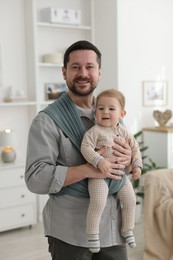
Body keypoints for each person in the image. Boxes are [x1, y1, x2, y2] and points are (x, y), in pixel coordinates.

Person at [25, 40, 133, 260]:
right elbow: (35, 178)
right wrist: (88, 169)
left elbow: (124, 165)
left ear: (99, 72)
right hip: (70, 234)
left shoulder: (112, 112)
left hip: (114, 229)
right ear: (64, 72)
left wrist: (129, 160)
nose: (83, 73)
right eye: (75, 67)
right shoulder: (46, 121)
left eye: (90, 67)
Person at [81, 89, 143, 253]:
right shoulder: (94, 131)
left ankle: (127, 230)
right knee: (98, 202)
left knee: (130, 200)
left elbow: (135, 148)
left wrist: (136, 166)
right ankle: (93, 234)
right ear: (95, 112)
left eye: (111, 109)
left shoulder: (123, 131)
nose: (105, 112)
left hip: (119, 175)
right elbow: (86, 147)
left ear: (122, 114)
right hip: (98, 176)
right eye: (100, 108)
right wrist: (98, 160)